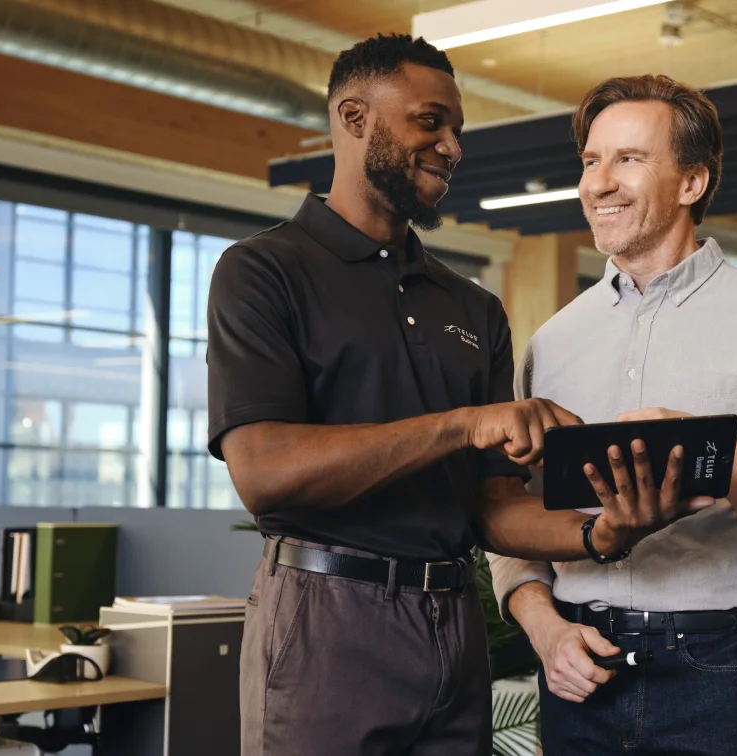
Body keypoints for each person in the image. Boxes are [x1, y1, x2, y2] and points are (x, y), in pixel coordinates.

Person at [206, 37, 704, 756]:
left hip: (451, 622)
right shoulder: (263, 271)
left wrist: (602, 534)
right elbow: (263, 471)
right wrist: (463, 425)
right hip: (325, 620)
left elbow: (492, 507)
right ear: (354, 118)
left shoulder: (472, 308)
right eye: (430, 122)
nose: (452, 147)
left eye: (457, 130)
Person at [488, 74, 737, 756]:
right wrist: (545, 631)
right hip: (579, 669)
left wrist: (717, 459)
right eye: (590, 161)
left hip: (725, 674)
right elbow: (511, 519)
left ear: (692, 182)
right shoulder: (551, 344)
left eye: (629, 159)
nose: (599, 183)